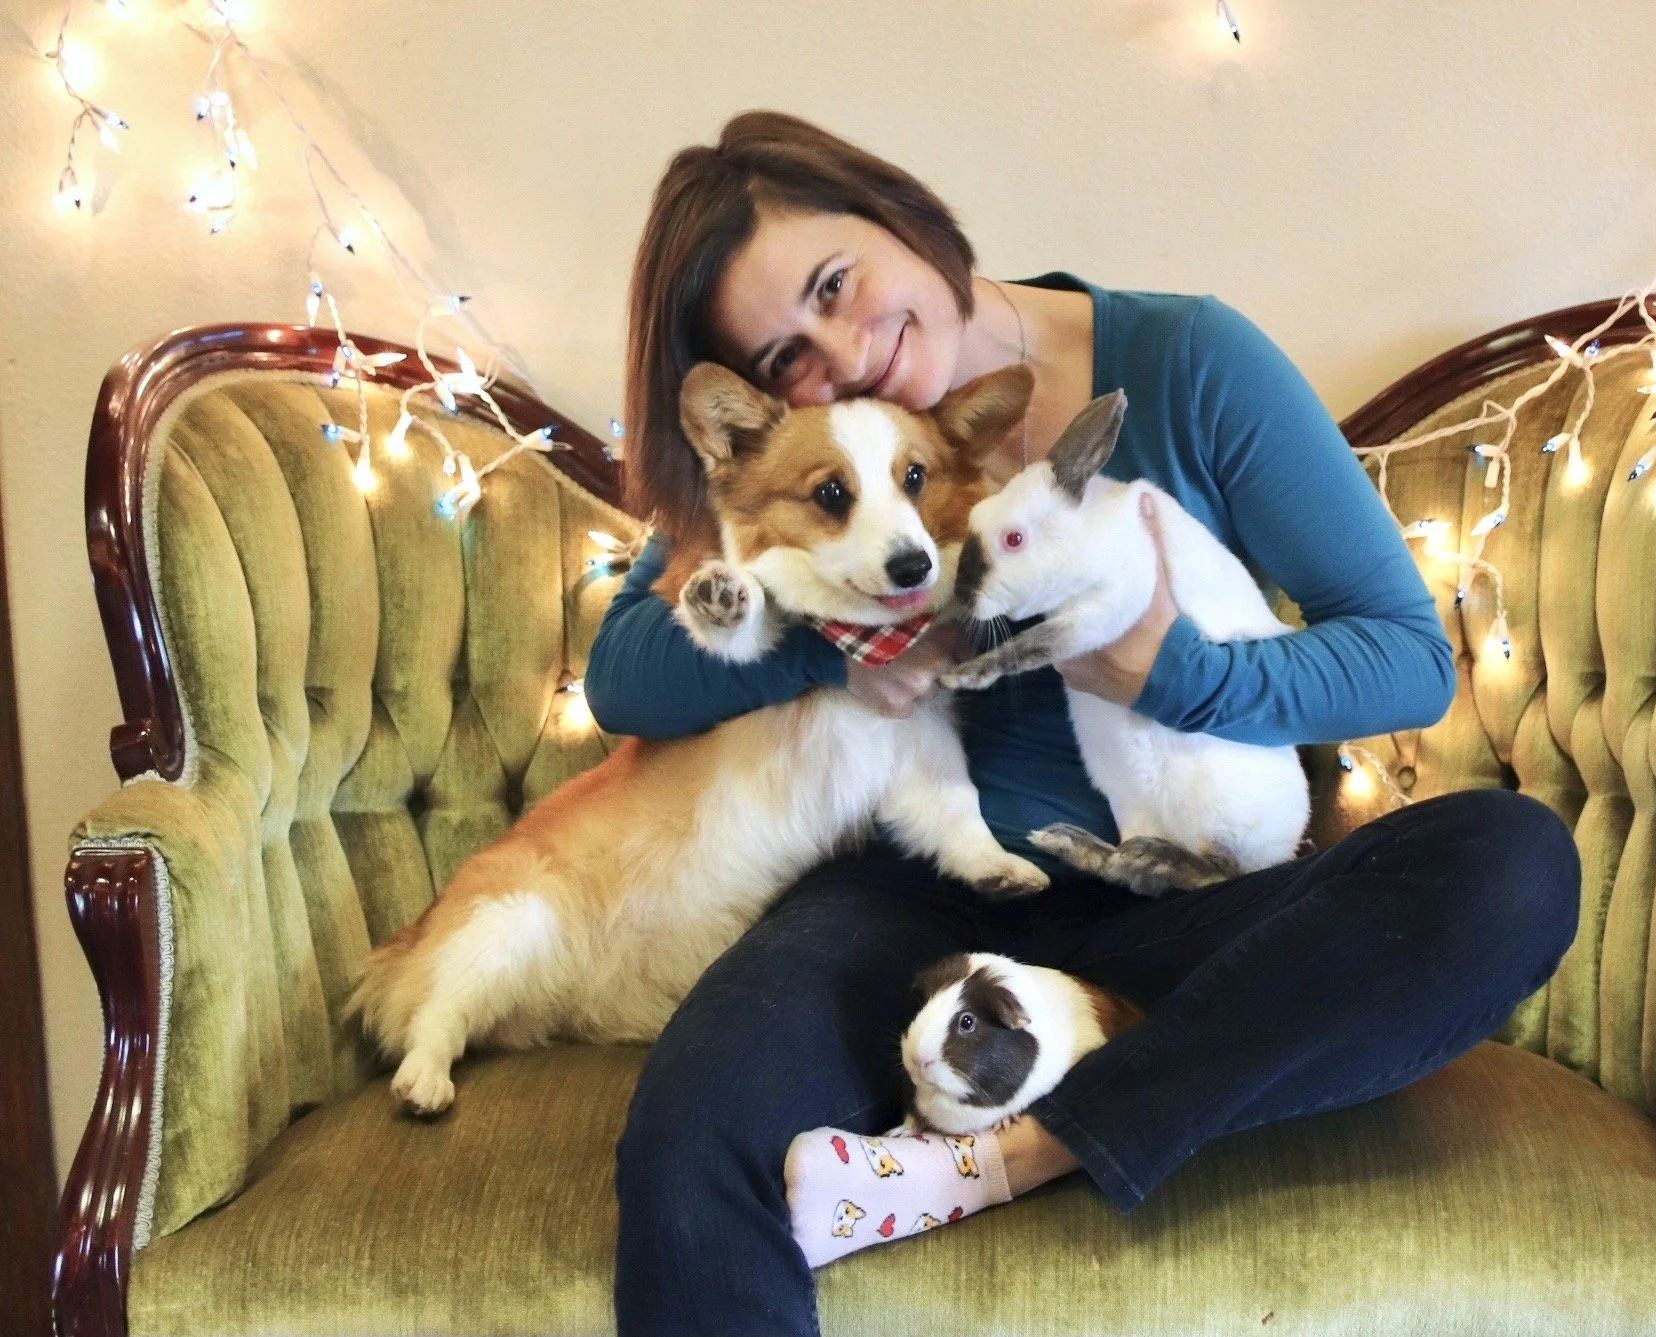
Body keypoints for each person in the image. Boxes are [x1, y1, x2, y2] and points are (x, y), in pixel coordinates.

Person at [590, 110, 1580, 1337]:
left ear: (900, 211)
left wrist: (1178, 674)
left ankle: (1011, 1153)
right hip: (920, 898)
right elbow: (623, 678)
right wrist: (828, 642)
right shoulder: (828, 456)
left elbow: (1407, 656)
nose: (844, 352)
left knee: (1509, 863)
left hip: (1200, 900)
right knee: (691, 1138)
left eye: (837, 284)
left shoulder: (1189, 360)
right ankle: (1112, 1092)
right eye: (786, 356)